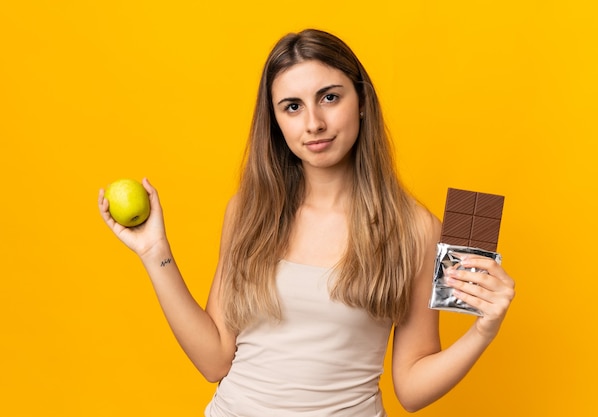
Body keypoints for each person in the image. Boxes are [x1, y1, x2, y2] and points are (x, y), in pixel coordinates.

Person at [98, 28, 515, 416]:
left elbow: (410, 388)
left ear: (362, 100)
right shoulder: (248, 211)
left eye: (330, 97)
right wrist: (155, 254)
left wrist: (484, 329)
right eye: (292, 107)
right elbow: (214, 360)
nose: (313, 122)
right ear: (276, 121)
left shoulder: (415, 229)